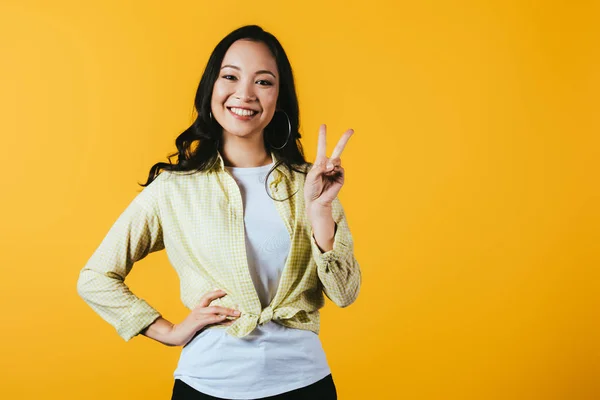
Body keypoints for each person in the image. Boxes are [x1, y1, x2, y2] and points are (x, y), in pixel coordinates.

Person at [77, 24, 361, 400]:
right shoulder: (175, 189)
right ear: (211, 87)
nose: (244, 94)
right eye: (230, 76)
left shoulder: (310, 184)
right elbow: (96, 277)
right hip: (205, 386)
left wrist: (320, 211)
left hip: (304, 384)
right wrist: (168, 331)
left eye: (264, 82)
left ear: (280, 98)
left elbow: (345, 293)